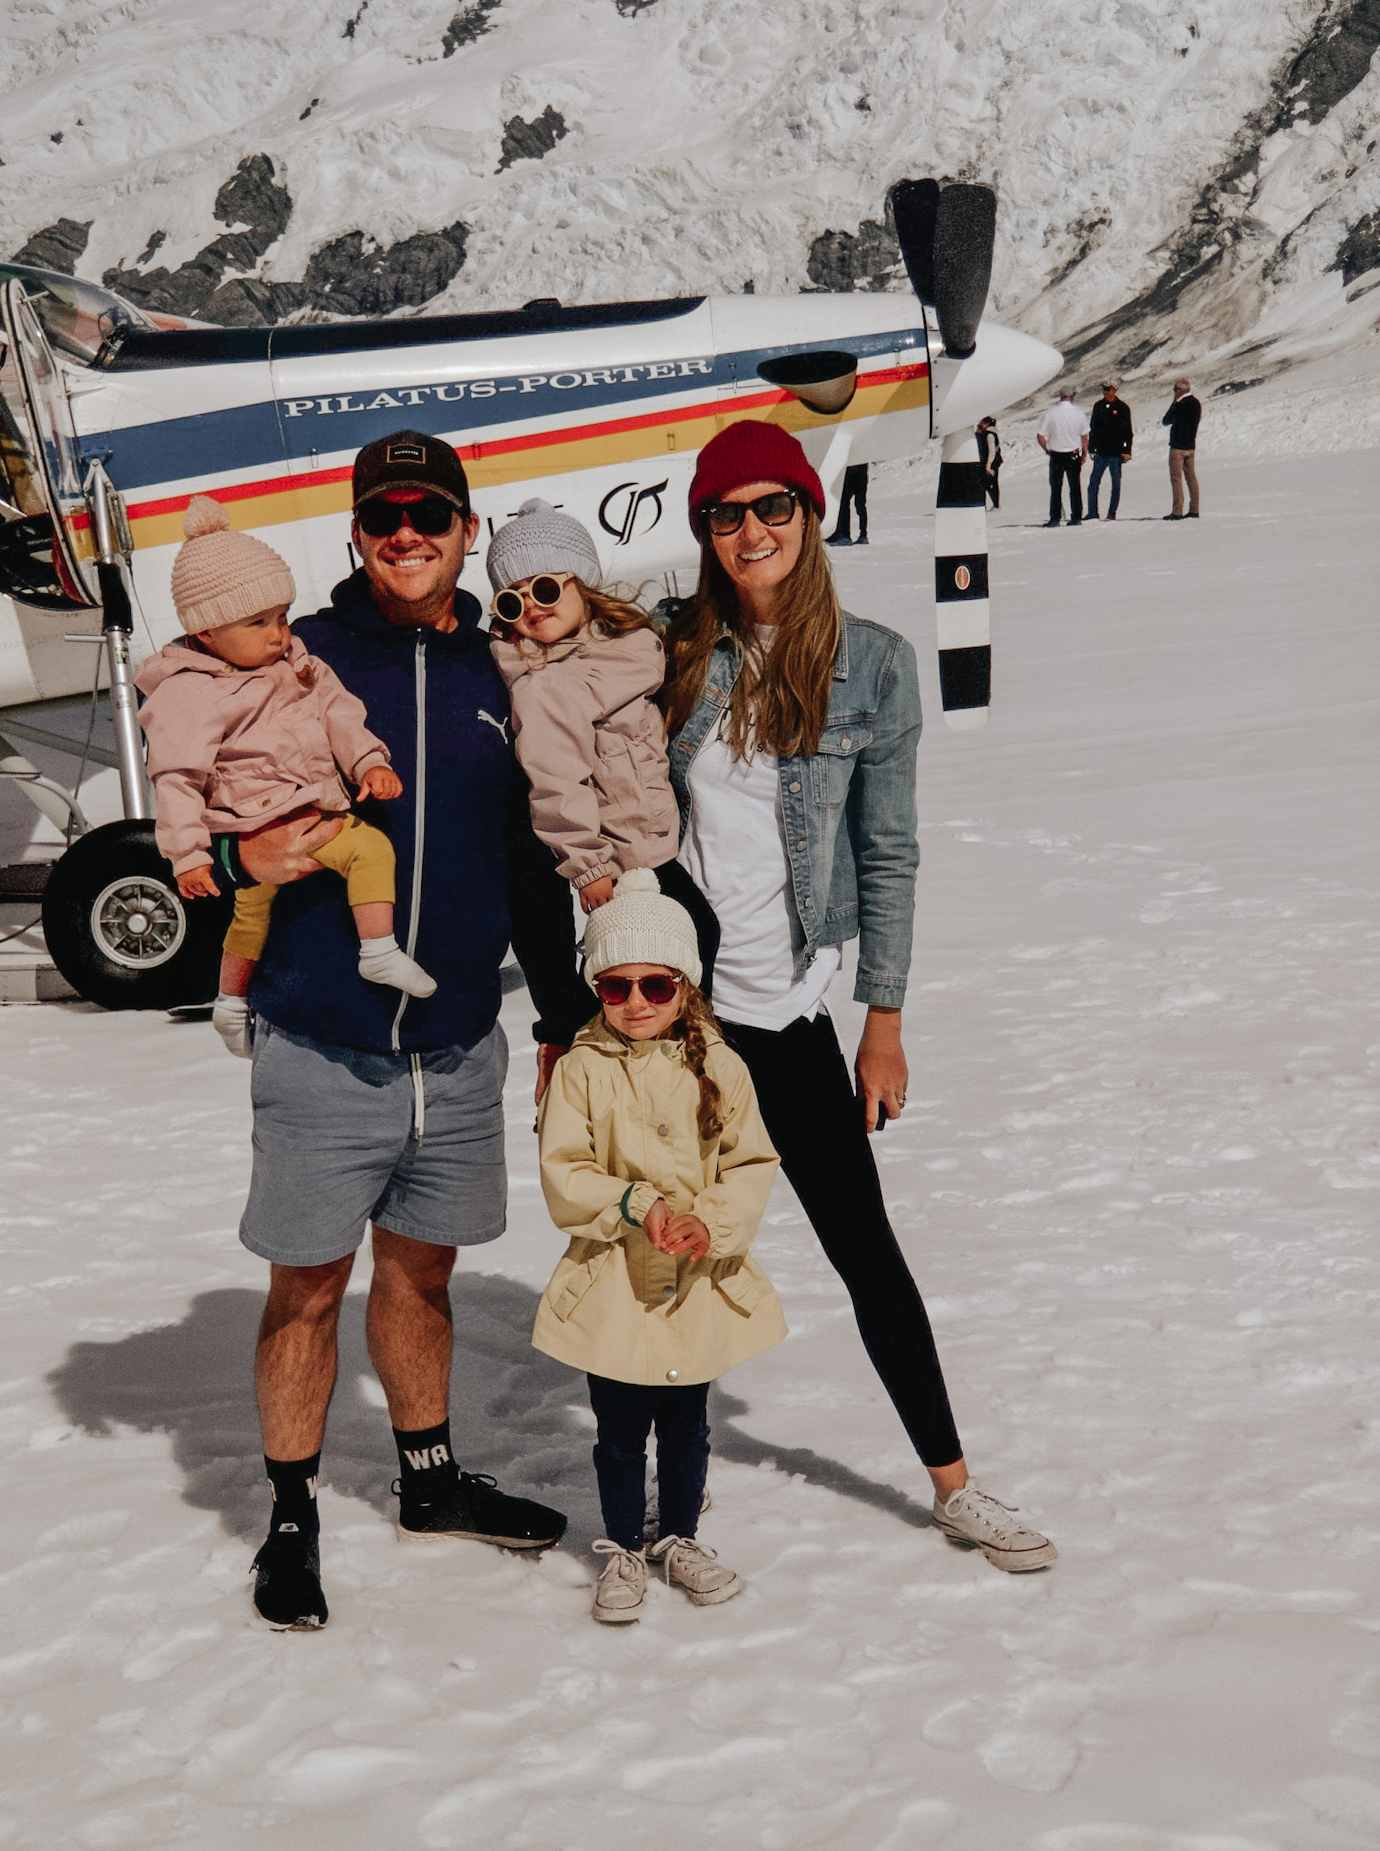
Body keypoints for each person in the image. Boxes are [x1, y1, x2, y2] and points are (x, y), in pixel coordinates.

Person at [208, 430, 591, 1630]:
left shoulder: (505, 669)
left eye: (432, 514)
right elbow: (188, 795)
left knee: (424, 1271)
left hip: (461, 1041)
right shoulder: (294, 658)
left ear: (469, 532)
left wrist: (564, 1018)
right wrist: (233, 855)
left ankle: (428, 1479)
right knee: (308, 1286)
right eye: (387, 516)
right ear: (357, 534)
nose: (409, 533)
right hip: (322, 1036)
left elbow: (536, 862)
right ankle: (291, 1512)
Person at [660, 418, 1057, 1573]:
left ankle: (954, 1483)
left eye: (771, 506)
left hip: (789, 1015)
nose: (750, 530)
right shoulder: (675, 653)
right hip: (681, 1020)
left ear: (810, 515)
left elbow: (887, 852)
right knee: (673, 1256)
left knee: (864, 1247)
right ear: (704, 530)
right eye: (725, 512)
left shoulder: (875, 662)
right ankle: (669, 1518)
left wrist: (882, 1018)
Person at [534, 869, 785, 1623]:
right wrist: (635, 1204)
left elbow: (749, 1162)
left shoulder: (721, 1065)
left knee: (686, 1422)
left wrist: (711, 1223)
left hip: (697, 1279)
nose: (636, 1003)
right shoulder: (579, 1069)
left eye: (655, 986)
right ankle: (620, 1545)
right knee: (617, 1430)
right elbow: (563, 1173)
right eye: (615, 988)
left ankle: (678, 1535)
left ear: (686, 985)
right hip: (612, 1278)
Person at [136, 496, 435, 1064]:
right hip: (250, 822)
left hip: (310, 810)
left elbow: (341, 714)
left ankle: (230, 1001)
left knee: (255, 916)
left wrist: (369, 762)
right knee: (368, 850)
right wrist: (189, 856)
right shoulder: (188, 692)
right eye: (257, 623)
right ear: (204, 632)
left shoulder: (298, 665)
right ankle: (377, 949)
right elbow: (176, 778)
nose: (278, 633)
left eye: (281, 615)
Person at [486, 496, 718, 990]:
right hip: (621, 862)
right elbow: (554, 781)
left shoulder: (621, 650)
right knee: (674, 960)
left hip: (656, 844)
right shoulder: (545, 682)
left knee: (682, 959)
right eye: (513, 599)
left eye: (545, 588)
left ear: (581, 583)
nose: (531, 605)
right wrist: (590, 866)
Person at [1036, 388, 1088, 526]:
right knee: (1075, 487)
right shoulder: (1078, 412)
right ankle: (1076, 516)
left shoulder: (1051, 412)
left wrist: (1047, 449)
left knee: (1056, 487)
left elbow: (1040, 435)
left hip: (1056, 454)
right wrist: (1084, 452)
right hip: (1073, 453)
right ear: (1072, 397)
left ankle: (1055, 518)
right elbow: (1084, 435)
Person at [1085, 382, 1132, 521]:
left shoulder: (1122, 408)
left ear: (1115, 390)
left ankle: (1112, 512)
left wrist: (1126, 450)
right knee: (1093, 483)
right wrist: (1091, 447)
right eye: (1104, 389)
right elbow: (1093, 427)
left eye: (1109, 389)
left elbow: (1128, 431)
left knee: (1115, 483)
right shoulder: (1098, 406)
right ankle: (1092, 512)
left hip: (1116, 453)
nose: (1106, 392)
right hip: (1101, 451)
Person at [1162, 378, 1202, 518]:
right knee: (1191, 477)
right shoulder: (1196, 403)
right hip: (1190, 445)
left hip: (1178, 446)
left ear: (1179, 391)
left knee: (1176, 478)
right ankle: (1194, 508)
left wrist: (1174, 403)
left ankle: (1177, 510)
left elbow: (1166, 420)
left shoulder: (1180, 404)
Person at [825, 460, 869, 546]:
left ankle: (844, 535)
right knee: (860, 505)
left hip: (850, 472)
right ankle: (863, 535)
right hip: (861, 471)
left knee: (844, 503)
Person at [975, 417, 1002, 509]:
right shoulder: (986, 434)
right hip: (988, 462)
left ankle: (996, 504)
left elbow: (992, 451)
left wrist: (988, 465)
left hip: (991, 462)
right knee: (985, 483)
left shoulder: (990, 435)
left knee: (991, 483)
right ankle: (988, 504)